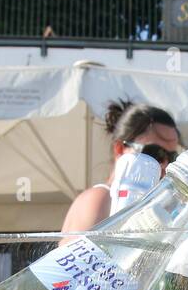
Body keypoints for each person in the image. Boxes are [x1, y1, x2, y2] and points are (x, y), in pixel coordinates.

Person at [60, 99, 181, 232]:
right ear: (119, 149)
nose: (164, 164)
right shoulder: (100, 198)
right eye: (154, 153)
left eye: (171, 157)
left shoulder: (145, 204)